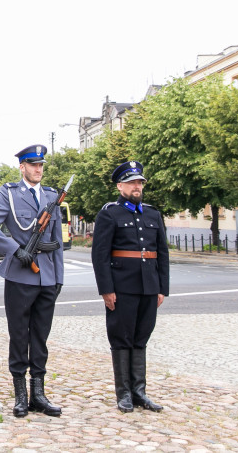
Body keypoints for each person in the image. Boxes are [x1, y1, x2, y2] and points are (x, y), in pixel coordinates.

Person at [0, 144, 64, 418]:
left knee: (41, 336)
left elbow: (57, 241)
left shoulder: (51, 196)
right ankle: (21, 395)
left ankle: (39, 394)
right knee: (19, 335)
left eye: (41, 165)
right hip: (20, 275)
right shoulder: (9, 194)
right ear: (22, 167)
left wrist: (59, 277)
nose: (38, 169)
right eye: (33, 164)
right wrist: (16, 249)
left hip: (47, 275)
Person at [91, 161, 170, 413]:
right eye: (132, 182)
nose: (137, 186)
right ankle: (123, 393)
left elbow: (163, 253)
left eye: (140, 182)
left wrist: (162, 288)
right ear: (120, 185)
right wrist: (106, 289)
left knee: (141, 338)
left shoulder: (152, 214)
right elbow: (100, 254)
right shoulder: (109, 214)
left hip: (149, 286)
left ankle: (140, 392)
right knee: (121, 338)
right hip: (122, 286)